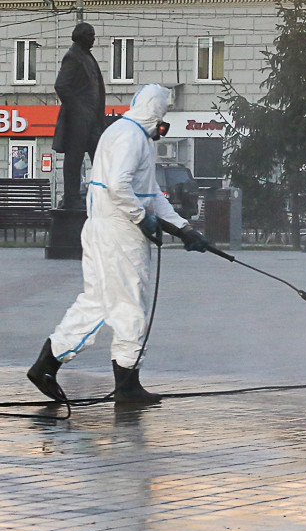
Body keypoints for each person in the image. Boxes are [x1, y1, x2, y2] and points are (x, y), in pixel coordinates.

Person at [27, 84, 211, 406]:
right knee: (129, 305)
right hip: (119, 233)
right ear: (155, 112)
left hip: (104, 229)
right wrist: (140, 218)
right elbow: (118, 186)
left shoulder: (130, 134)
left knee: (97, 303)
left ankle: (46, 364)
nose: (163, 123)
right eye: (164, 114)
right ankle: (127, 384)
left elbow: (151, 193)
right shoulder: (130, 137)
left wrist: (184, 229)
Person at [53, 21, 107, 209]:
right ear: (80, 36)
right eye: (90, 35)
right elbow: (61, 85)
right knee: (74, 158)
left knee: (99, 157)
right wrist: (79, 109)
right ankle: (71, 197)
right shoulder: (73, 57)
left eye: (93, 35)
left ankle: (102, 194)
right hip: (78, 119)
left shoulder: (87, 57)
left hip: (92, 119)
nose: (93, 38)